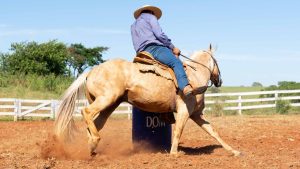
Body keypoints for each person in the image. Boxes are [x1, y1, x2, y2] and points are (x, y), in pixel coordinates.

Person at [131, 5, 196, 97]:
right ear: (152, 12)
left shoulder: (133, 25)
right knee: (176, 62)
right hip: (154, 49)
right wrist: (172, 47)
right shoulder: (151, 17)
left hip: (141, 53)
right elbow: (159, 35)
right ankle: (185, 86)